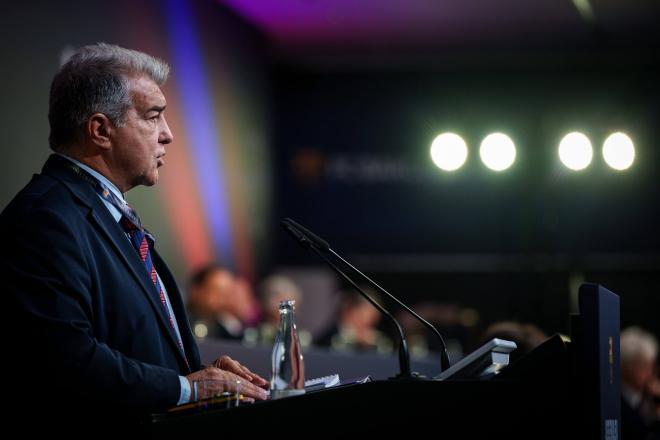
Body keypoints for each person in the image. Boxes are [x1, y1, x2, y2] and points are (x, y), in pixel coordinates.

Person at [0, 43, 268, 430]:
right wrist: (187, 389)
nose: (168, 135)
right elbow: (66, 359)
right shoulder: (44, 218)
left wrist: (196, 374)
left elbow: (126, 341)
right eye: (153, 116)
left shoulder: (105, 211)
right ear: (100, 130)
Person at [187, 264, 260, 341]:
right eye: (216, 291)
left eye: (228, 292)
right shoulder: (182, 323)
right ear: (196, 291)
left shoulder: (227, 328)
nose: (223, 299)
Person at [620, 326, 660, 440]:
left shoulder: (651, 396)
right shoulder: (617, 402)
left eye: (650, 366)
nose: (649, 373)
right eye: (642, 366)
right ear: (625, 367)